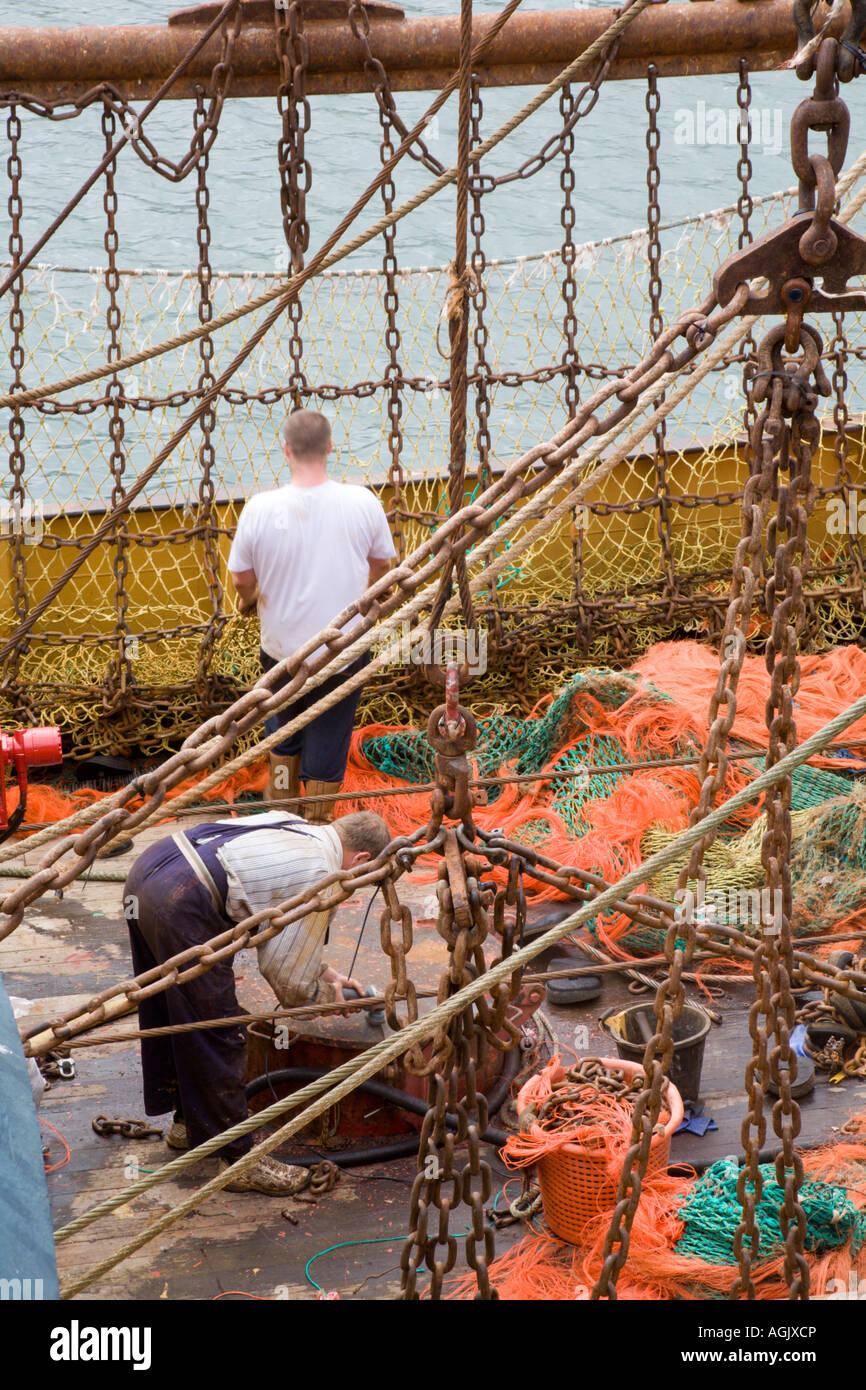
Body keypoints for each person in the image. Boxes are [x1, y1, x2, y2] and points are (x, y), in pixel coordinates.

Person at [124, 809, 392, 1196]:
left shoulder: (297, 825)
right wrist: (323, 999)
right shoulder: (323, 872)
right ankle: (238, 1161)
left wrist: (326, 975)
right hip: (183, 900)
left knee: (173, 1009)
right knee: (220, 1031)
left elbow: (274, 919)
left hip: (151, 871)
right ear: (362, 860)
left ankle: (189, 1125)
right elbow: (289, 981)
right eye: (364, 879)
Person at [228, 409, 396, 822]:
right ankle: (317, 824)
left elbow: (241, 580)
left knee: (282, 737)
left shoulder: (259, 508)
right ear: (330, 448)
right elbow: (382, 570)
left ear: (286, 449)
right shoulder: (362, 502)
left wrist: (252, 598)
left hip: (280, 655)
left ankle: (280, 817)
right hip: (342, 654)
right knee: (327, 744)